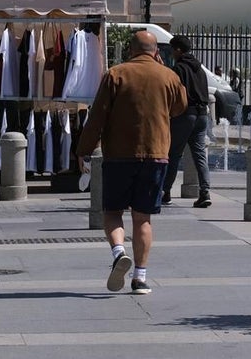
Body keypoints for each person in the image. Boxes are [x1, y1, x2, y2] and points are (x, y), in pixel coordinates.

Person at [76, 30, 187, 295]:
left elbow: (98, 116)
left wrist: (84, 149)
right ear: (156, 51)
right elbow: (180, 106)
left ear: (130, 50)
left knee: (113, 211)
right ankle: (140, 278)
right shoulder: (169, 76)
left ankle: (118, 253)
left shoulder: (115, 74)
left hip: (119, 156)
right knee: (143, 218)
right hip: (156, 154)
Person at [162, 36, 212, 208]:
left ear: (178, 50)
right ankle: (204, 192)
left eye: (171, 50)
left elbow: (174, 93)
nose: (171, 53)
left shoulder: (178, 69)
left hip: (185, 115)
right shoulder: (200, 69)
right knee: (199, 155)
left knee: (174, 153)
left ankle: (165, 191)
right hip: (202, 115)